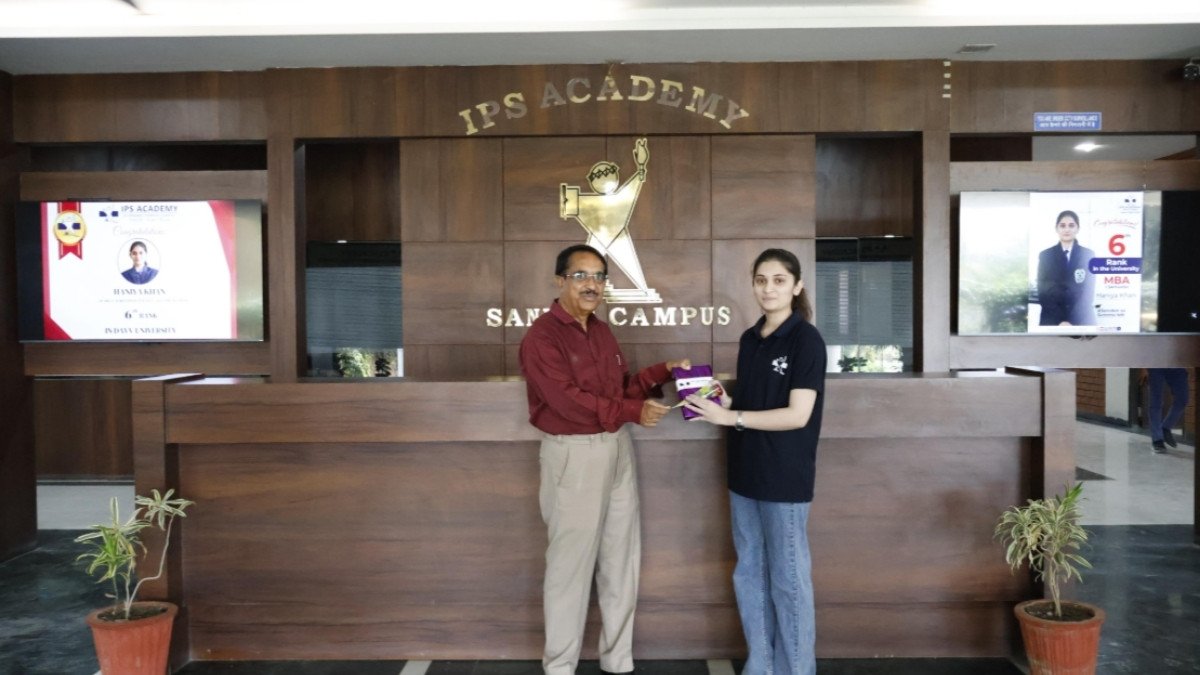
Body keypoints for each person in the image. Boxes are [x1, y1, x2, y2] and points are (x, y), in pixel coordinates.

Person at [518, 243, 690, 675]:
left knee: (620, 562)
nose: (591, 284)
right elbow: (566, 401)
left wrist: (662, 371)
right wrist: (633, 412)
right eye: (581, 275)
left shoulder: (601, 331)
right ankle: (560, 667)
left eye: (599, 276)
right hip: (574, 455)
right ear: (560, 281)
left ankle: (617, 661)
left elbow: (620, 390)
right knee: (569, 570)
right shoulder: (542, 337)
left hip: (617, 449)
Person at [683, 248, 827, 675]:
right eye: (761, 280)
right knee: (750, 575)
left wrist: (731, 417)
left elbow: (798, 415)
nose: (768, 289)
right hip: (744, 474)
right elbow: (752, 403)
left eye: (779, 280)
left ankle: (796, 670)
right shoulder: (751, 338)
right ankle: (760, 666)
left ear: (797, 286)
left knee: (788, 580)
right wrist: (719, 403)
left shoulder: (806, 340)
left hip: (784, 477)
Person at [1036, 210, 1095, 326]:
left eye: (1071, 225)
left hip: (1082, 319)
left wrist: (1072, 320)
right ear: (1056, 229)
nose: (1067, 229)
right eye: (1062, 226)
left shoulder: (1088, 255)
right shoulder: (1045, 256)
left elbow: (1088, 291)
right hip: (1052, 319)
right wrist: (1061, 320)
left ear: (1077, 229)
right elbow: (1043, 291)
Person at [1143, 368, 1190, 453]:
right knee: (1156, 401)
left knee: (1182, 399)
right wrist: (1143, 368)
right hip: (1156, 366)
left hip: (1177, 366)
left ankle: (1165, 427)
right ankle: (1157, 439)